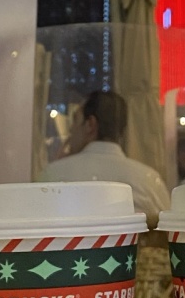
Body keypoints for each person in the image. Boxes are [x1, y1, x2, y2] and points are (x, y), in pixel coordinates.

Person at [40, 90, 169, 228]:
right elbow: (168, 234)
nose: (71, 128)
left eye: (75, 120)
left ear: (90, 124)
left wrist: (58, 166)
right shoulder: (149, 180)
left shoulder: (54, 175)